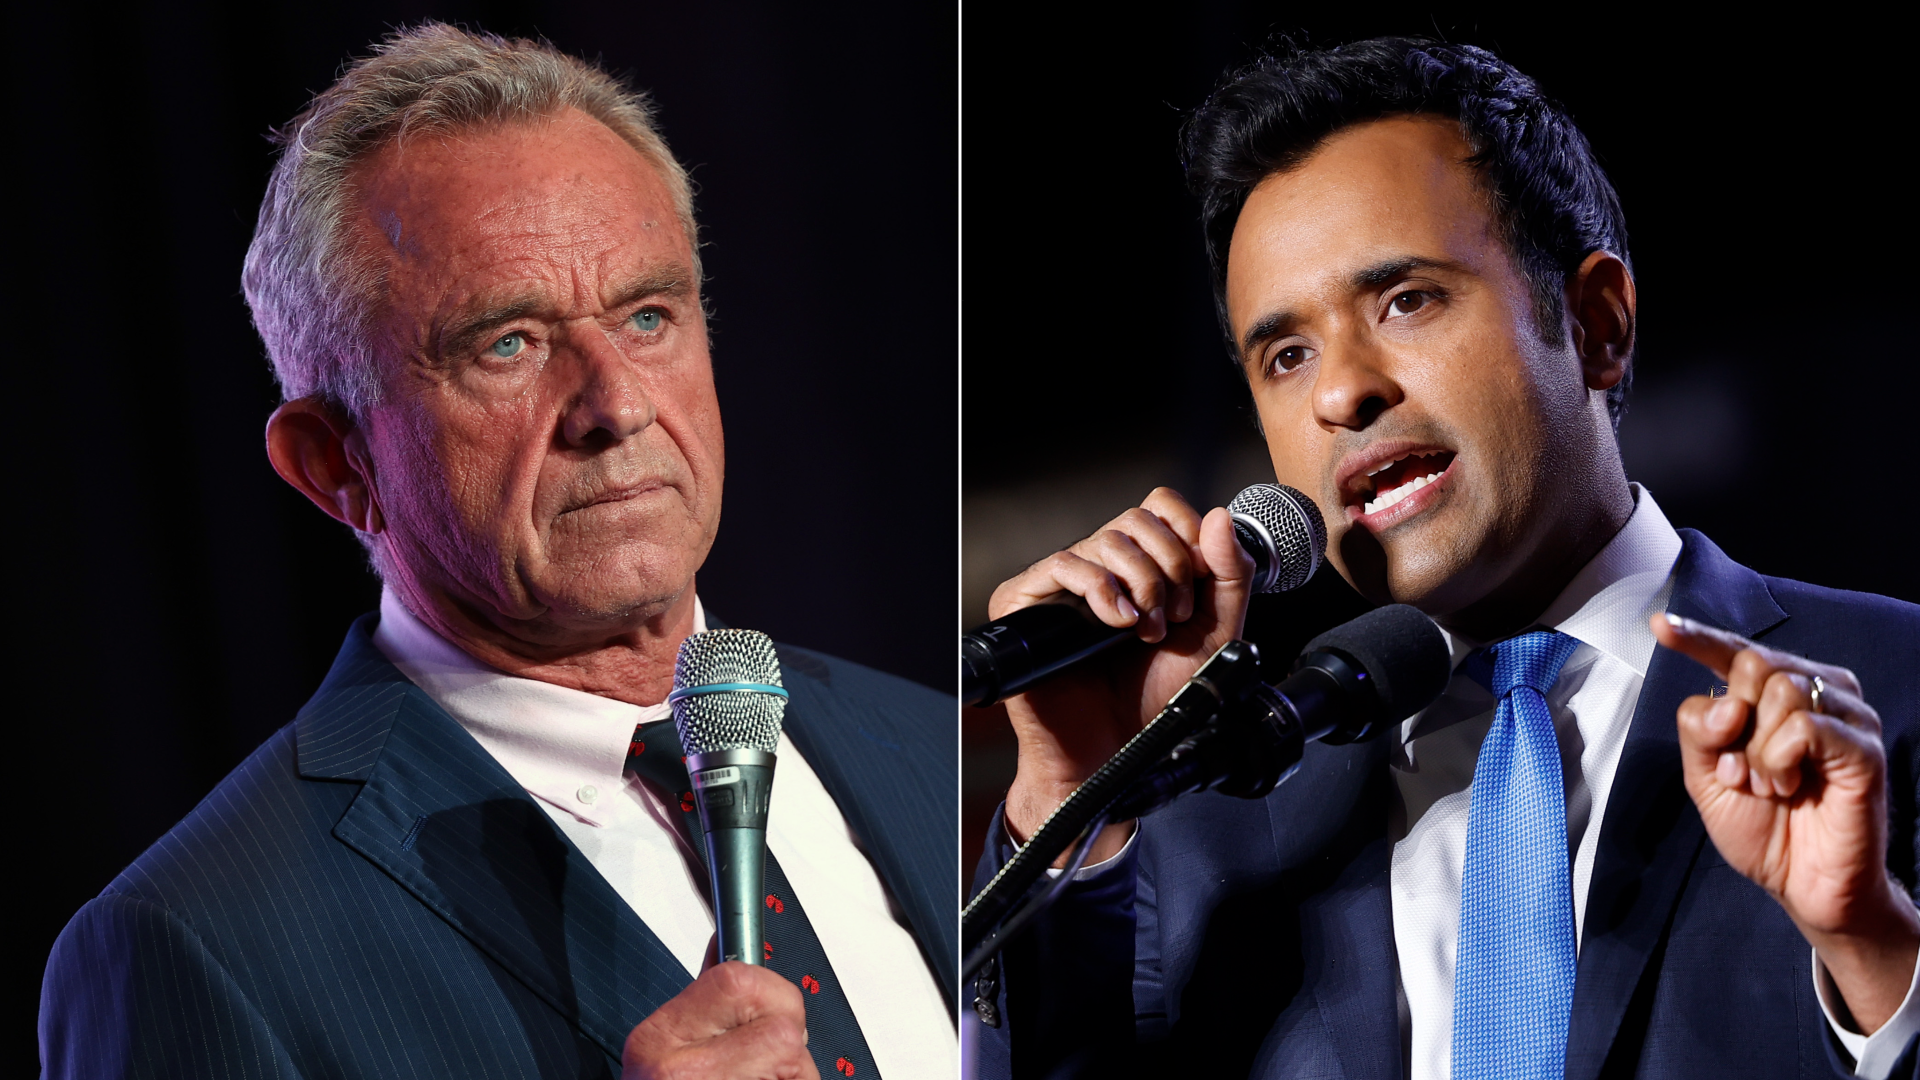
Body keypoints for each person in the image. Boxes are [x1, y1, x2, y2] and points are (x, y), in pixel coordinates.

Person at [970, 37, 1920, 1080]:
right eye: (1286, 355)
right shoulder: (1205, 823)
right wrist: (1072, 790)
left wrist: (1877, 953)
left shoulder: (1888, 691)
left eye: (1406, 301)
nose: (1341, 394)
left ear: (1598, 324)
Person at [39, 24, 955, 1080]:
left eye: (648, 316)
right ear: (336, 462)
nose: (617, 405)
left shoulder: (931, 747)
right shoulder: (198, 944)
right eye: (507, 343)